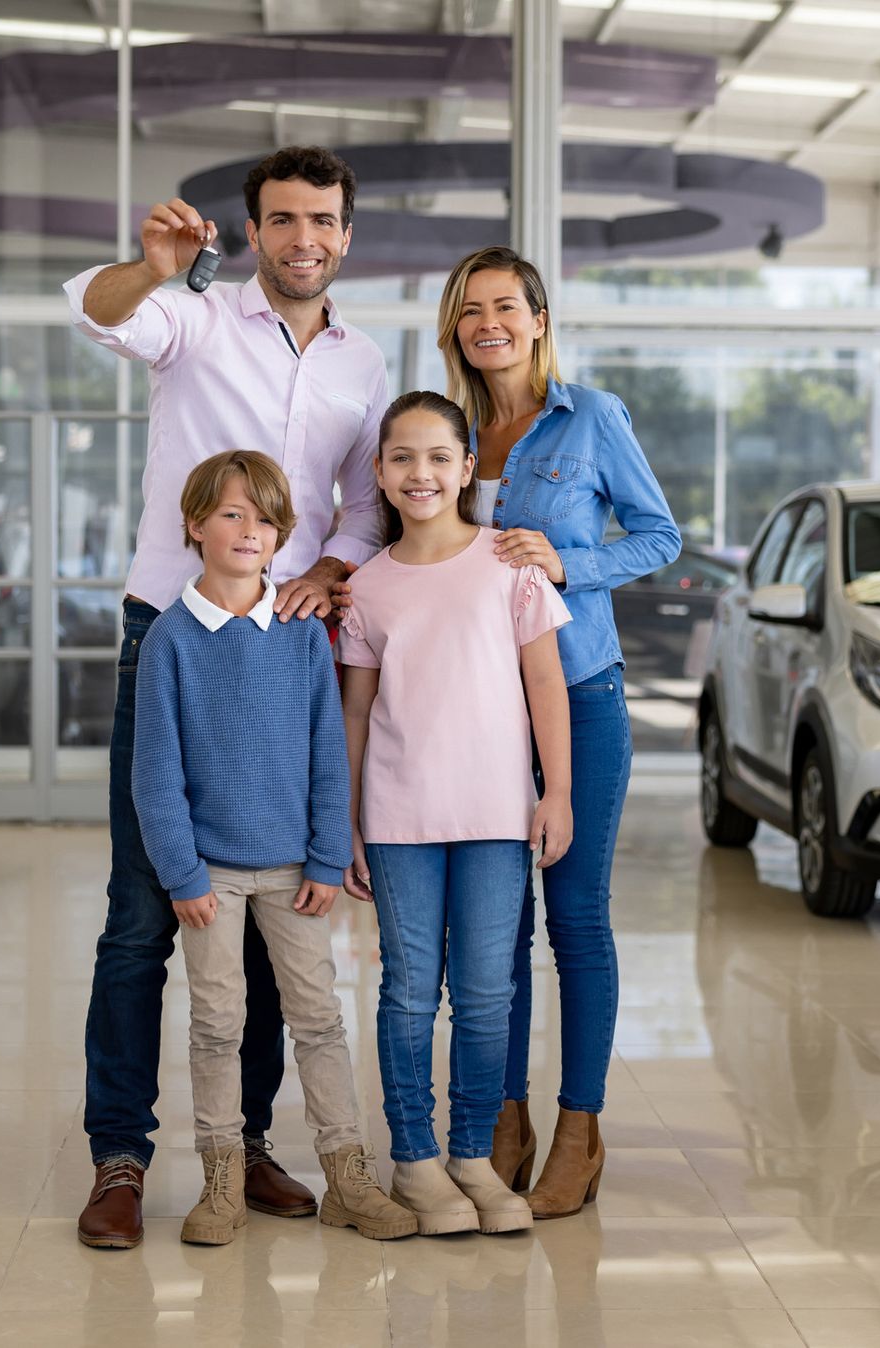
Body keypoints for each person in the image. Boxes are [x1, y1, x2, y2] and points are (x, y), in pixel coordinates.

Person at [63, 145, 389, 1250]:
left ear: (348, 233)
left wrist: (328, 569)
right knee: (143, 914)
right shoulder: (194, 321)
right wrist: (151, 266)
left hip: (285, 640)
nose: (307, 238)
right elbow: (100, 315)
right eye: (286, 219)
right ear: (255, 230)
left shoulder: (364, 363)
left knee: (263, 924)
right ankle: (119, 1156)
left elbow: (364, 505)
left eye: (326, 221)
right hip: (172, 630)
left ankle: (243, 1144)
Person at [437, 246, 681, 1218]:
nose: (488, 321)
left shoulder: (591, 418)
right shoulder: (451, 432)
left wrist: (567, 559)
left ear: (538, 318)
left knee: (575, 917)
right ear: (455, 327)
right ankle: (505, 1118)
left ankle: (580, 1127)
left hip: (577, 691)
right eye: (470, 309)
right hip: (475, 704)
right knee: (495, 931)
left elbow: (660, 535)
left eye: (506, 305)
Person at [133, 451, 417, 1247]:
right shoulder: (169, 641)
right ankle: (222, 1176)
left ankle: (348, 1177)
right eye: (230, 514)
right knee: (218, 1024)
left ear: (283, 532)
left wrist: (329, 857)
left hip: (295, 871)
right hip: (209, 879)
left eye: (263, 518)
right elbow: (155, 777)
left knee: (319, 1019)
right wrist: (183, 873)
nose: (248, 530)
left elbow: (329, 753)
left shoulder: (301, 636)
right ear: (195, 525)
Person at [337, 390, 574, 1236]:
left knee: (485, 994)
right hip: (398, 819)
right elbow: (355, 713)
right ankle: (414, 1160)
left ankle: (472, 1153)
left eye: (440, 457)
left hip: (498, 816)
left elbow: (545, 681)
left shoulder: (508, 564)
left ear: (469, 468)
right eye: (402, 457)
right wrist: (350, 824)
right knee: (408, 994)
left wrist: (558, 794)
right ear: (379, 473)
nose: (421, 473)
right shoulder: (366, 587)